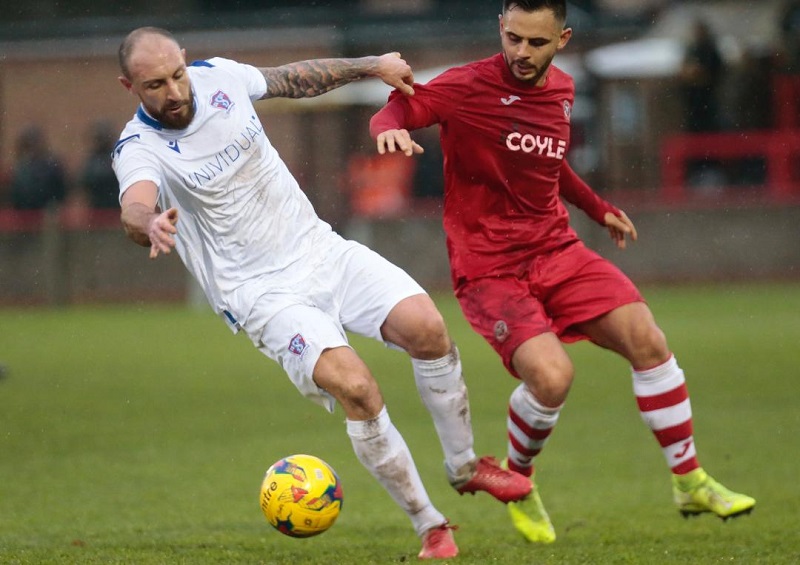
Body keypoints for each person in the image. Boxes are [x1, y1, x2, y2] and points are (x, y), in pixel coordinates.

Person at [111, 26, 532, 560]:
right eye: (155, 85)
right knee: (357, 388)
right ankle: (430, 525)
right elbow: (135, 204)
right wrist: (147, 225)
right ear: (130, 87)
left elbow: (293, 79)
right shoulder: (139, 147)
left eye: (176, 74)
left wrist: (373, 64)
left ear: (185, 61)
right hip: (262, 295)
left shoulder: (218, 77)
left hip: (320, 250)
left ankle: (466, 467)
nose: (173, 92)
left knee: (428, 328)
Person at [370, 0, 755, 545]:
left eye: (537, 42)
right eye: (514, 38)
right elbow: (398, 109)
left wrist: (597, 207)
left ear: (563, 40)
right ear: (501, 28)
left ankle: (689, 480)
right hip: (490, 268)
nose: (522, 53)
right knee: (552, 379)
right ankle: (521, 481)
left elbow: (550, 165)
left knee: (647, 339)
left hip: (557, 249)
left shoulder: (563, 92)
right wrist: (386, 129)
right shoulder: (467, 86)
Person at [10, 125, 67, 211]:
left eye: (33, 144)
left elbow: (60, 190)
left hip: (44, 213)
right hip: (23, 214)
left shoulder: (51, 166)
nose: (31, 149)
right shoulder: (20, 168)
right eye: (27, 146)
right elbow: (16, 194)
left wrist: (53, 206)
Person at [81, 119, 121, 209]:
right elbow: (84, 182)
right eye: (99, 138)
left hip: (117, 208)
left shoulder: (119, 157)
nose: (101, 142)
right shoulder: (92, 161)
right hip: (97, 209)